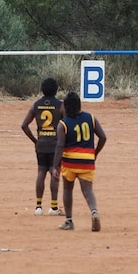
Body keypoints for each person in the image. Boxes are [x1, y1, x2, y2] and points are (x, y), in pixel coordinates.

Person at [51, 91, 106, 231]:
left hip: (70, 162)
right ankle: (94, 211)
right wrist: (95, 153)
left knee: (67, 189)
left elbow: (60, 146)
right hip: (87, 160)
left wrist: (55, 166)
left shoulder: (63, 124)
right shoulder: (90, 117)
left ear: (66, 107)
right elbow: (103, 137)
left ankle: (69, 221)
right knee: (88, 190)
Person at [21, 77, 64, 216]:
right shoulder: (60, 105)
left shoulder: (36, 105)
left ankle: (38, 207)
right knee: (54, 172)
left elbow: (24, 125)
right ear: (56, 90)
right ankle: (53, 207)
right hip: (55, 144)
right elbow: (67, 124)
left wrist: (35, 140)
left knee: (41, 172)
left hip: (41, 144)